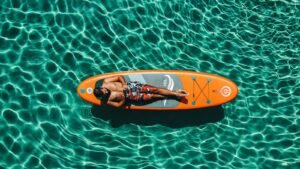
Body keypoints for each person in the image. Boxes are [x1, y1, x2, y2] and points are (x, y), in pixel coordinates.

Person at [93, 75, 188, 108]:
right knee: (152, 96)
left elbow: (119, 77)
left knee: (155, 90)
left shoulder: (106, 82)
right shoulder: (106, 100)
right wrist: (124, 99)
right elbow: (118, 106)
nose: (106, 92)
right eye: (104, 94)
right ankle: (173, 96)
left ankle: (176, 93)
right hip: (130, 97)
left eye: (104, 91)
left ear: (101, 88)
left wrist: (124, 84)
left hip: (132, 86)